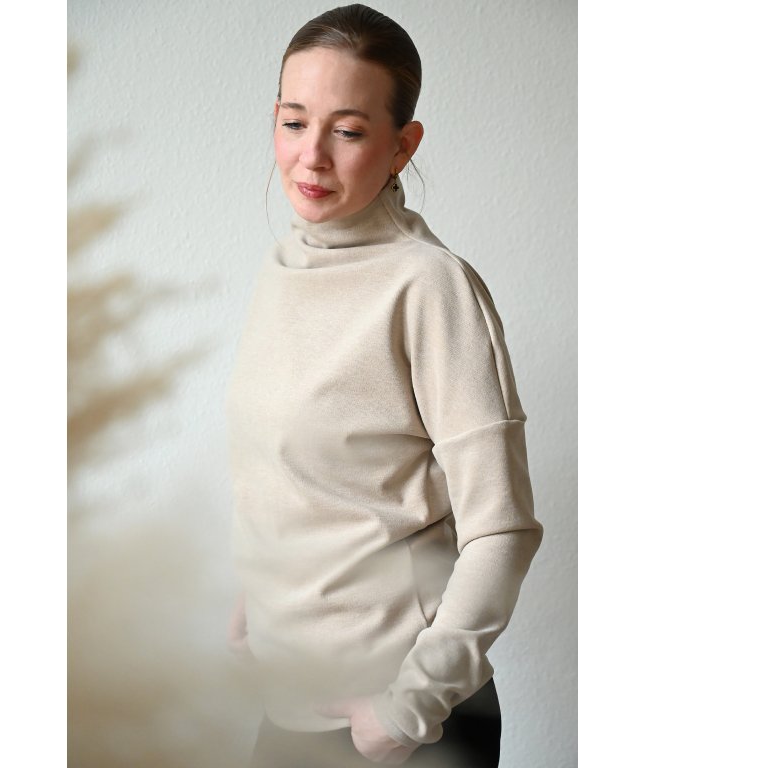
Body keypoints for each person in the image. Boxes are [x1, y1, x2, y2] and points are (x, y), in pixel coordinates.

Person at [225, 5, 543, 766]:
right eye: (294, 122)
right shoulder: (284, 267)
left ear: (403, 145)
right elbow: (304, 481)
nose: (311, 157)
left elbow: (502, 530)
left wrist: (409, 708)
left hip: (402, 725)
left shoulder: (429, 286)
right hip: (293, 704)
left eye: (348, 130)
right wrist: (260, 601)